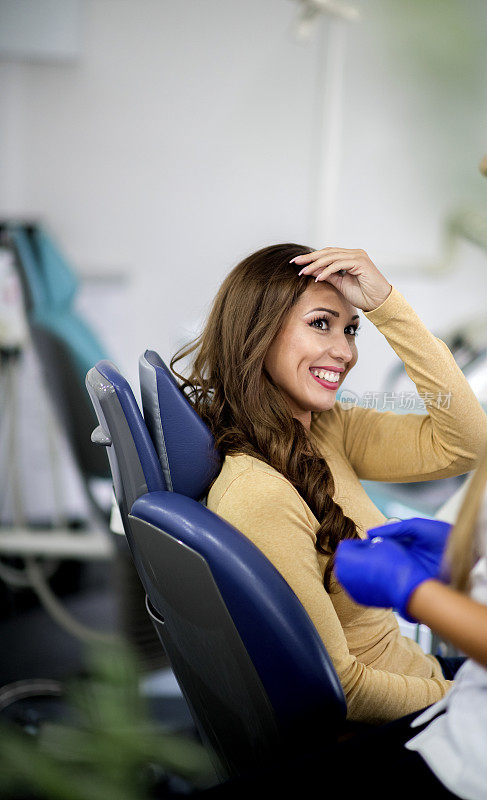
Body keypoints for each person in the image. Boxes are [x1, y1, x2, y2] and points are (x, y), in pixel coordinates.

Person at [171, 243, 487, 723]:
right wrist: (456, 699)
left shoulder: (326, 426)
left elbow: (467, 443)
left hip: (421, 677)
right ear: (256, 332)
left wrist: (387, 307)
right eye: (321, 324)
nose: (345, 352)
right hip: (404, 709)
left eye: (351, 329)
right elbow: (341, 689)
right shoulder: (257, 493)